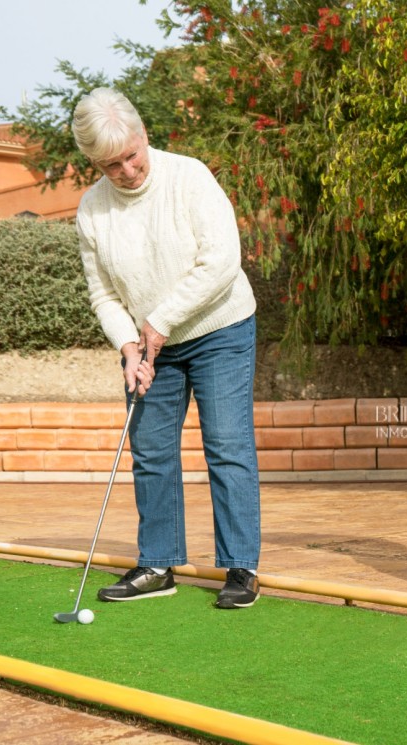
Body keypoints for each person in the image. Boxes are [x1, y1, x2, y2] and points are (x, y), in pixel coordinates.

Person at [71, 87, 262, 609]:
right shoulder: (92, 210)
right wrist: (129, 344)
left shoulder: (189, 176)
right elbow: (103, 292)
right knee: (151, 452)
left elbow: (221, 261)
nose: (128, 171)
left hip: (219, 329)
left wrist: (158, 322)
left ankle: (241, 566)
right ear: (95, 163)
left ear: (143, 136)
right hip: (149, 344)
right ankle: (158, 563)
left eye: (132, 156)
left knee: (226, 444)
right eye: (112, 166)